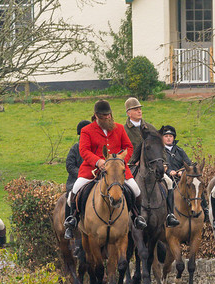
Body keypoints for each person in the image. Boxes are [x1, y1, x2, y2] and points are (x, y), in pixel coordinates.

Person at [64, 100, 145, 239]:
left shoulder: (119, 128)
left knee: (136, 189)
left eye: (109, 115)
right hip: (91, 170)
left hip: (118, 170)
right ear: (96, 116)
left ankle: (137, 217)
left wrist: (120, 162)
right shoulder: (87, 130)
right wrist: (98, 161)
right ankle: (72, 220)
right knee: (75, 190)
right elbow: (83, 150)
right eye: (103, 116)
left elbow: (128, 147)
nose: (107, 118)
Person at [124, 97, 179, 227]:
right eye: (135, 109)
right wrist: (132, 162)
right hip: (132, 165)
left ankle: (170, 214)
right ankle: (126, 216)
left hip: (152, 166)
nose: (139, 111)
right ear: (128, 113)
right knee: (124, 187)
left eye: (140, 109)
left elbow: (160, 147)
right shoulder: (124, 130)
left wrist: (164, 163)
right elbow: (123, 149)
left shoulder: (150, 127)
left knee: (169, 182)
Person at [65, 120, 90, 192]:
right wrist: (82, 173)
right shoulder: (75, 148)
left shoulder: (96, 147)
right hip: (76, 180)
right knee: (71, 197)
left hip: (94, 179)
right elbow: (70, 166)